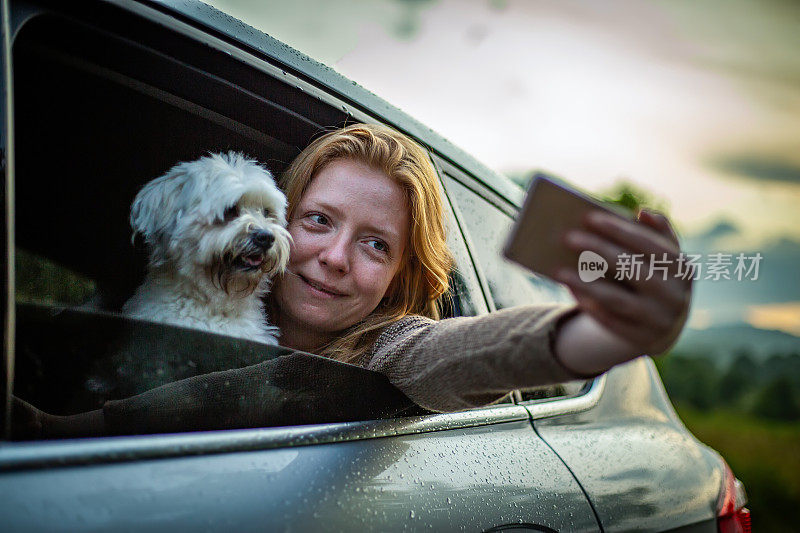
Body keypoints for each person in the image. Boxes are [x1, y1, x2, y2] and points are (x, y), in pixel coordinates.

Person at [12, 123, 691, 437]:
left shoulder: (385, 349)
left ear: (401, 274)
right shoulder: (187, 299)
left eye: (374, 243)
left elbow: (460, 352)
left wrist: (594, 334)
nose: (335, 257)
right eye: (316, 220)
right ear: (282, 221)